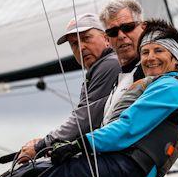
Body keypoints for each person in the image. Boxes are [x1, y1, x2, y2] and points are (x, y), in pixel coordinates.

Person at [18, 19, 178, 177]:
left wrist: (78, 145)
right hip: (125, 170)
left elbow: (127, 127)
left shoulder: (170, 88)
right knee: (40, 172)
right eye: (145, 52)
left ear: (175, 58)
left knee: (26, 174)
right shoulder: (156, 86)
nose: (150, 57)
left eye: (158, 50)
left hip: (127, 170)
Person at [17, 13, 120, 163]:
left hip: (116, 158)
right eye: (74, 44)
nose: (81, 47)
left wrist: (41, 145)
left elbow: (85, 119)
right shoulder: (100, 67)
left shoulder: (109, 64)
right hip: (110, 154)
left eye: (86, 38)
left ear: (106, 38)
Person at [99, 0, 147, 123]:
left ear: (143, 27)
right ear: (107, 39)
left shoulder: (149, 70)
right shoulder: (119, 79)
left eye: (128, 27)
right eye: (113, 32)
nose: (121, 35)